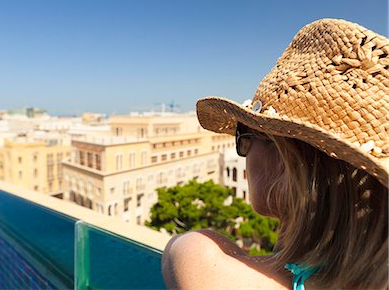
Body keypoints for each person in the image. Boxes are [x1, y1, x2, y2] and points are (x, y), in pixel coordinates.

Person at [161, 18, 388, 289]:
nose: (245, 157)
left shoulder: (204, 262)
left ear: (281, 156)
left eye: (244, 138)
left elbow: (185, 248)